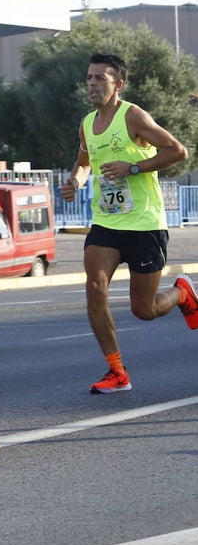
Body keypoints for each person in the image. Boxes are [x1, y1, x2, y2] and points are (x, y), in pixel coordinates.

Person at [59, 53, 196, 394]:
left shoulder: (133, 116)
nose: (92, 84)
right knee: (95, 287)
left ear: (117, 84)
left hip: (144, 223)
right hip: (106, 221)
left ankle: (182, 293)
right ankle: (117, 371)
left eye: (99, 78)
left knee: (144, 310)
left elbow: (177, 151)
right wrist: (75, 181)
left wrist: (132, 168)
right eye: (89, 77)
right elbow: (84, 161)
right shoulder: (87, 123)